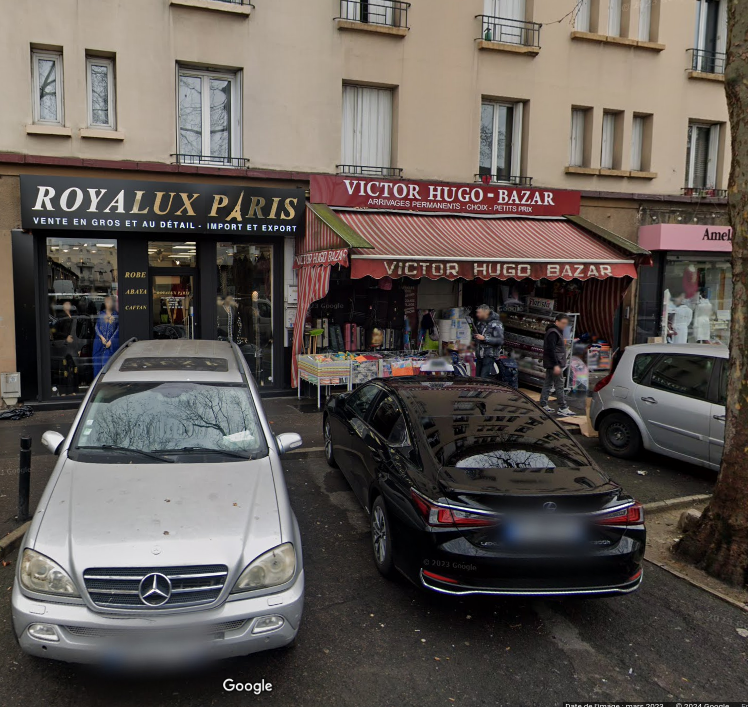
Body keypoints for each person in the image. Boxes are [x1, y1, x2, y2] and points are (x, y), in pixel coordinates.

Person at [539, 313, 574, 417]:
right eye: (562, 323)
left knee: (548, 383)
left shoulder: (554, 331)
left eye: (566, 324)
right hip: (555, 363)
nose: (564, 325)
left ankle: (543, 404)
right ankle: (563, 407)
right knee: (559, 385)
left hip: (553, 363)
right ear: (557, 321)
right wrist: (556, 365)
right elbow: (550, 350)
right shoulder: (553, 333)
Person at [473, 304, 504, 378]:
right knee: (477, 378)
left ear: (485, 312)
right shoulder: (480, 323)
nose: (477, 314)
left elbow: (499, 340)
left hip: (489, 355)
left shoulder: (496, 324)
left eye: (479, 312)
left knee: (483, 377)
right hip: (480, 355)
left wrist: (485, 338)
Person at [93, 295, 119, 377]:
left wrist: (111, 341)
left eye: (110, 302)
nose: (108, 304)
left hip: (111, 346)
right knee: (98, 367)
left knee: (108, 367)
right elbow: (97, 327)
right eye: (107, 302)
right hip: (100, 345)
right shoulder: (101, 314)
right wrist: (101, 337)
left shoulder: (116, 315)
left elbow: (118, 329)